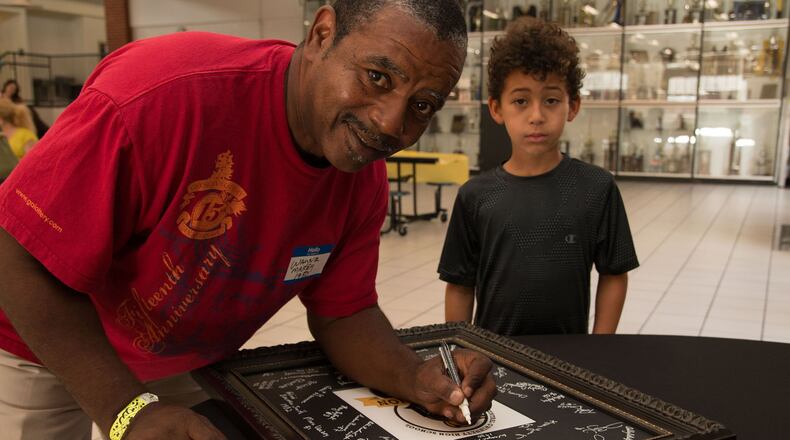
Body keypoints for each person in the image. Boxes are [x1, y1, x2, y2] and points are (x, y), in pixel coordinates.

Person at [0, 1, 497, 439]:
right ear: (322, 34)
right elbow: (17, 252)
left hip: (181, 356)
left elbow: (344, 313)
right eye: (378, 77)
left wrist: (415, 377)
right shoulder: (164, 95)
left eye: (423, 105)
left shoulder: (360, 179)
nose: (391, 123)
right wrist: (125, 410)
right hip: (46, 342)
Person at [439, 17, 639, 337]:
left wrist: (601, 350)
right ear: (496, 108)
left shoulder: (596, 188)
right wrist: (460, 350)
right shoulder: (475, 196)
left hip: (571, 358)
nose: (536, 116)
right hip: (494, 357)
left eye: (551, 100)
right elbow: (460, 286)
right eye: (520, 101)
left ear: (572, 106)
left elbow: (614, 274)